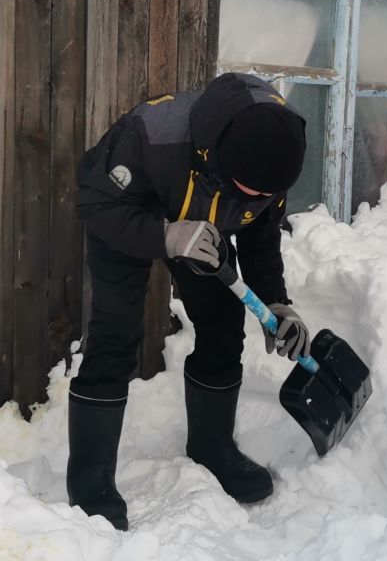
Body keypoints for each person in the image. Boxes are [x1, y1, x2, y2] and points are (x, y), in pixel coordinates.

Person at [69, 72, 312, 531]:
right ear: (224, 156)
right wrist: (165, 235)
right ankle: (89, 479)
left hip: (205, 223)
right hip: (132, 214)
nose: (259, 199)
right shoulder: (150, 136)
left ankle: (212, 448)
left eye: (268, 194)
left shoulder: (278, 147)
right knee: (115, 333)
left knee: (223, 324)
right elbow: (96, 204)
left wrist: (277, 303)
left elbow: (260, 237)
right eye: (252, 190)